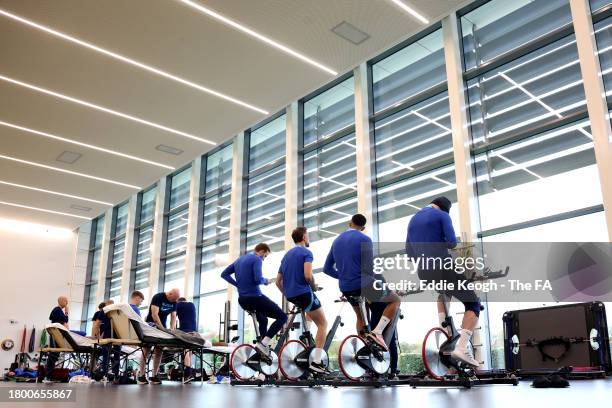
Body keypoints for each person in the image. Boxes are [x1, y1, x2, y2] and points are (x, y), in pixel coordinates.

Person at [406, 196, 480, 367]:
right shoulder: (442, 216)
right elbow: (452, 243)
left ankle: (445, 334)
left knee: (444, 292)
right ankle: (461, 347)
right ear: (444, 209)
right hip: (443, 267)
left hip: (423, 272)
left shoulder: (413, 219)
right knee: (473, 303)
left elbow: (409, 253)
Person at [323, 214, 400, 351]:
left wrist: (344, 277)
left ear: (349, 223)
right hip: (364, 283)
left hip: (346, 287)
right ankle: (377, 333)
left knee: (360, 316)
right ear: (363, 228)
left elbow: (327, 269)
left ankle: (363, 348)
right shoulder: (365, 239)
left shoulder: (336, 241)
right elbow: (369, 269)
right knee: (395, 300)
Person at [276, 227, 328, 374]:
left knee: (309, 310)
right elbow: (307, 275)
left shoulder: (286, 256)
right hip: (304, 293)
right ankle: (317, 362)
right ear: (304, 237)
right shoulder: (306, 252)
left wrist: (288, 294)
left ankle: (307, 335)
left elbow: (278, 281)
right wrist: (314, 287)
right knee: (323, 324)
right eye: (308, 236)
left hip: (292, 295)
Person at [221, 243, 287, 357]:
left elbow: (224, 274)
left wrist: (237, 285)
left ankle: (262, 349)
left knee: (263, 320)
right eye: (265, 256)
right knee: (282, 317)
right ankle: (263, 344)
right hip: (255, 298)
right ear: (261, 251)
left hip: (243, 300)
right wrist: (265, 281)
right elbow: (257, 279)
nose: (264, 259)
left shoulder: (239, 260)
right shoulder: (257, 259)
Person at [137, 288, 180, 385]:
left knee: (159, 350)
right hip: (151, 324)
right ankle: (141, 375)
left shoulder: (174, 302)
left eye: (176, 300)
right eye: (173, 299)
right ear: (169, 294)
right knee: (146, 350)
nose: (174, 302)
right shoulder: (158, 297)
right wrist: (161, 328)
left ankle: (154, 375)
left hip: (162, 327)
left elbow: (173, 316)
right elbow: (154, 315)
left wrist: (172, 330)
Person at [91, 300, 120, 379]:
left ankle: (105, 374)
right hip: (117, 336)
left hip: (109, 336)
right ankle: (115, 375)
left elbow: (96, 325)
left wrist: (95, 337)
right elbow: (96, 325)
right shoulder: (117, 310)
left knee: (106, 355)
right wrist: (96, 337)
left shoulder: (104, 310)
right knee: (115, 356)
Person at [176, 297, 197, 383]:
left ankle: (187, 373)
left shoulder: (178, 305)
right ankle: (190, 372)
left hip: (185, 331)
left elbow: (174, 316)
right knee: (190, 351)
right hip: (194, 331)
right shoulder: (192, 305)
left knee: (186, 350)